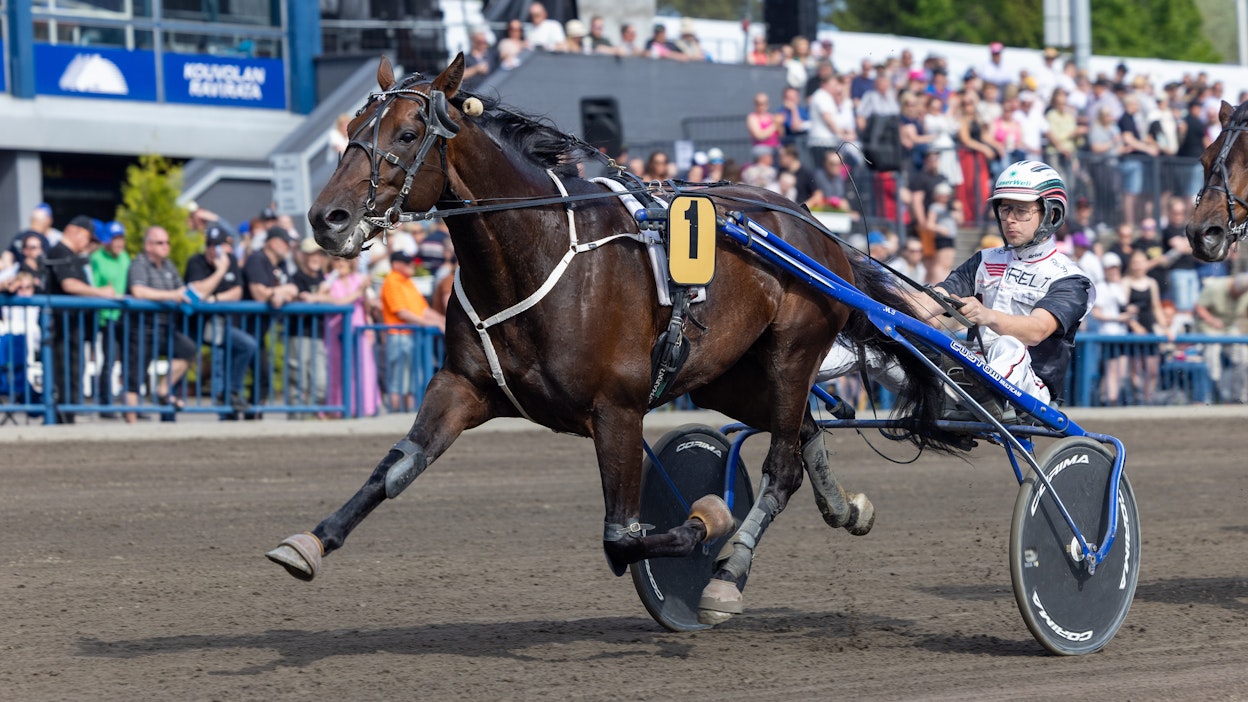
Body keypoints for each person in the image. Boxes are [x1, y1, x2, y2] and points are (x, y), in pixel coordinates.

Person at [819, 161, 1092, 419]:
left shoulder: (1069, 278)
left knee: (1008, 345)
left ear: (1051, 213)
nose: (1010, 219)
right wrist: (857, 286)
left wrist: (987, 316)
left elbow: (1037, 331)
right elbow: (926, 305)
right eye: (1005, 209)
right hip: (964, 374)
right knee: (874, 348)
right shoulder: (984, 260)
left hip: (1027, 392)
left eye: (1021, 211)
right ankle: (792, 374)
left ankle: (965, 396)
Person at [44, 215, 119, 423]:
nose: (88, 243)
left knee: (73, 376)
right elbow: (69, 285)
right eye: (87, 237)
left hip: (73, 330)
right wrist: (101, 292)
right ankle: (60, 420)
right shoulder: (59, 251)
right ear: (73, 230)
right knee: (65, 377)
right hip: (62, 329)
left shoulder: (73, 255)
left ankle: (66, 418)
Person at [124, 226, 202, 424]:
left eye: (167, 242)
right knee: (135, 378)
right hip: (141, 328)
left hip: (165, 329)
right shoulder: (139, 263)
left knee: (188, 349)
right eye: (160, 243)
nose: (166, 246)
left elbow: (182, 290)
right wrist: (172, 296)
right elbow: (138, 291)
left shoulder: (168, 266)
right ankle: (130, 424)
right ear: (148, 245)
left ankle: (163, 389)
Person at [185, 222, 255, 419]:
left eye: (218, 245)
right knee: (189, 359)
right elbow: (198, 292)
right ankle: (169, 416)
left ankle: (231, 394)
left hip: (221, 325)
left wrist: (214, 300)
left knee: (246, 345)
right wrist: (219, 272)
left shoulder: (230, 260)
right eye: (210, 245)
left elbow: (237, 292)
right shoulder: (196, 262)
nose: (213, 250)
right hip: (194, 325)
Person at [242, 225, 300, 415]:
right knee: (244, 373)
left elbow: (294, 289)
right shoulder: (256, 259)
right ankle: (234, 413)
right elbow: (259, 294)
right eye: (286, 243)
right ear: (273, 242)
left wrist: (277, 293)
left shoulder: (280, 264)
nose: (289, 247)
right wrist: (278, 293)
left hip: (259, 330)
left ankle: (253, 414)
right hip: (243, 326)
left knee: (262, 374)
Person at [380, 250, 445, 413]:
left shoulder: (407, 281)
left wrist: (443, 321)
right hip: (398, 336)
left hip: (410, 336)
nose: (412, 266)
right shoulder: (392, 281)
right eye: (407, 263)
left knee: (411, 379)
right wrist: (432, 323)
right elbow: (402, 312)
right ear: (396, 265)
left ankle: (409, 413)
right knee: (398, 380)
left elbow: (423, 310)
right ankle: (394, 414)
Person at [323, 255, 380, 418]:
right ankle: (337, 408)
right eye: (336, 260)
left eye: (344, 260)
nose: (341, 263)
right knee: (338, 369)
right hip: (337, 331)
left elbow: (366, 307)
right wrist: (359, 292)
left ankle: (365, 407)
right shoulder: (328, 281)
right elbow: (336, 302)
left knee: (364, 368)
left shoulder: (358, 279)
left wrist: (366, 294)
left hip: (359, 329)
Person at [88, 221, 131, 413]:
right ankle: (106, 403)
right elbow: (94, 286)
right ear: (107, 240)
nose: (119, 242)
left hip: (126, 315)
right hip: (107, 317)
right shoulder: (96, 258)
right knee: (110, 358)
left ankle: (130, 403)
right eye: (115, 238)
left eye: (121, 238)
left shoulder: (125, 258)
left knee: (130, 358)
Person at [287, 237, 330, 416]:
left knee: (320, 382)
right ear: (303, 256)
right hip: (299, 334)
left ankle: (313, 415)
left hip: (318, 335)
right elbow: (302, 304)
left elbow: (332, 299)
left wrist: (316, 298)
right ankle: (296, 417)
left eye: (319, 254)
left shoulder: (322, 277)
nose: (316, 258)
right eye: (311, 254)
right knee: (298, 380)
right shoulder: (296, 278)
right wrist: (320, 296)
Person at [1193, 274, 1248, 404]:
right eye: (1238, 293)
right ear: (1233, 286)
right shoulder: (1215, 287)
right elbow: (1199, 307)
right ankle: (1214, 394)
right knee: (1212, 356)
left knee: (1244, 358)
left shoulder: (1245, 292)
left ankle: (1240, 397)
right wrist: (1212, 320)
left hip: (1229, 327)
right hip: (1209, 327)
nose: (1239, 296)